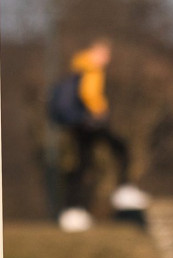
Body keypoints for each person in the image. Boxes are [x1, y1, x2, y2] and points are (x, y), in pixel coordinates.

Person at [53, 40, 146, 232]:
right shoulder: (91, 69)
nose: (106, 58)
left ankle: (74, 211)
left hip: (78, 124)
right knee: (120, 149)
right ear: (94, 52)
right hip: (89, 123)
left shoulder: (78, 67)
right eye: (104, 53)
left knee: (83, 164)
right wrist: (99, 111)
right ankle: (124, 190)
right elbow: (89, 93)